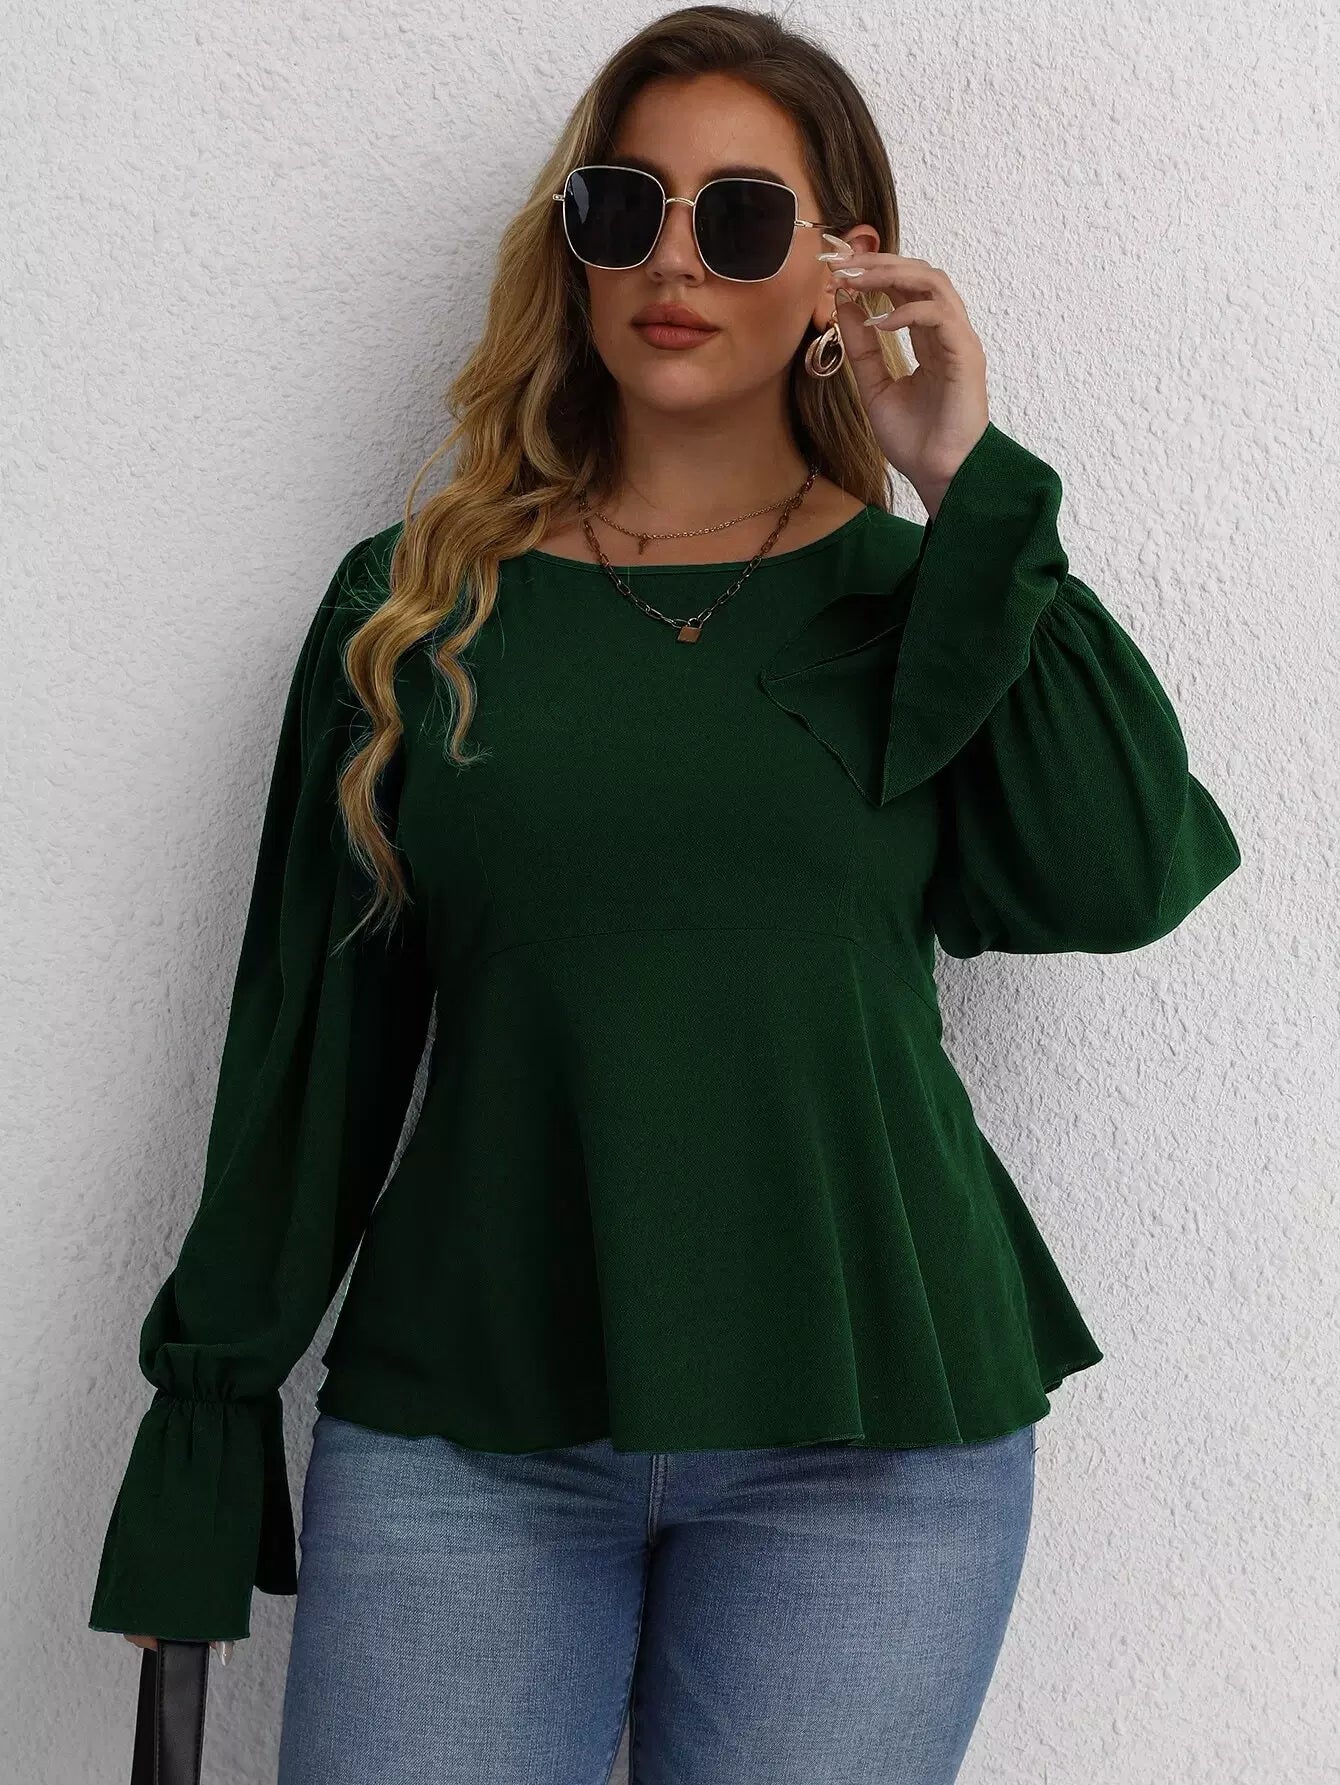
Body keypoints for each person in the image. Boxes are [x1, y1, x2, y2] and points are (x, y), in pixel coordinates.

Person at [87, 7, 1242, 1782]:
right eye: (625, 207)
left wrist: (962, 481)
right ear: (575, 246)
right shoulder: (415, 613)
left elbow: (1119, 872)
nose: (675, 260)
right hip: (472, 1433)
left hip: (874, 1440)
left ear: (844, 267)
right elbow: (312, 1049)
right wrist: (208, 1413)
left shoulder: (922, 597)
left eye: (745, 217)